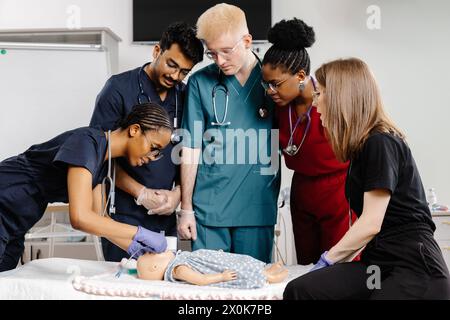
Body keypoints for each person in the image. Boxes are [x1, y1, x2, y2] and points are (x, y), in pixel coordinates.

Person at [283, 58, 450, 299]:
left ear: (342, 98)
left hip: (413, 268)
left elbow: (371, 223)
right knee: (302, 290)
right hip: (379, 265)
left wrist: (328, 259)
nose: (315, 104)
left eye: (320, 94)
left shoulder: (380, 142)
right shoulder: (361, 149)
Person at [0, 103, 173, 272]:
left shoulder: (103, 161)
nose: (152, 157)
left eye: (157, 153)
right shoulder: (86, 143)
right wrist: (140, 233)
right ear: (134, 130)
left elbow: (98, 219)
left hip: (16, 222)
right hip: (5, 199)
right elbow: (80, 218)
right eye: (153, 147)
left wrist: (135, 249)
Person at [90, 22, 204, 261]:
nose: (175, 76)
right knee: (125, 287)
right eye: (171, 64)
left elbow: (194, 154)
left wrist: (178, 196)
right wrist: (141, 192)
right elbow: (99, 154)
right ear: (156, 51)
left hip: (167, 214)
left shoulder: (186, 97)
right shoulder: (119, 89)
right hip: (123, 212)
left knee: (163, 286)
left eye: (184, 71)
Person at [178, 3, 280, 263]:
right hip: (209, 211)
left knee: (252, 292)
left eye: (226, 51)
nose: (220, 61)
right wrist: (186, 209)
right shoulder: (201, 83)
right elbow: (190, 148)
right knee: (210, 289)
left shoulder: (273, 82)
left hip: (257, 209)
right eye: (212, 54)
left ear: (246, 41)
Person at [261, 18, 357, 265]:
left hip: (339, 193)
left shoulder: (331, 99)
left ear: (301, 75)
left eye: (276, 84)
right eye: (266, 84)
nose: (270, 91)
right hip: (302, 193)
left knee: (338, 267)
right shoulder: (280, 108)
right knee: (306, 267)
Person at [137, 249, 288, 289]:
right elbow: (201, 280)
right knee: (237, 270)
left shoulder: (177, 259)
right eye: (152, 253)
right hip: (216, 269)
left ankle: (266, 269)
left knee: (240, 260)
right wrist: (221, 277)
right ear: (154, 267)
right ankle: (268, 277)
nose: (156, 250)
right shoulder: (177, 269)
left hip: (216, 261)